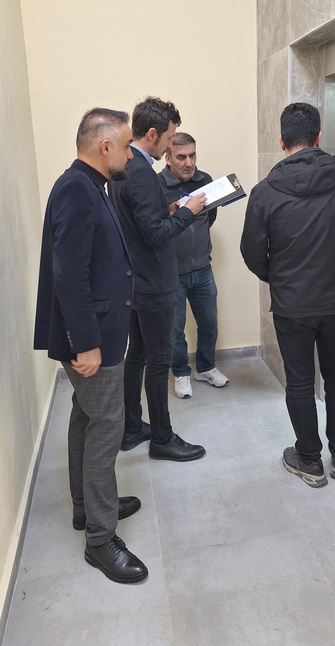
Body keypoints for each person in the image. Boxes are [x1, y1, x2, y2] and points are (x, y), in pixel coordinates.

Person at [34, 108, 148, 584]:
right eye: (125, 146)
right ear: (105, 147)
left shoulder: (87, 185)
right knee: (106, 426)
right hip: (91, 337)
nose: (130, 154)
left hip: (97, 332)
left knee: (86, 417)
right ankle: (100, 540)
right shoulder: (76, 189)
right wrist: (85, 343)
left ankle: (87, 505)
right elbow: (69, 274)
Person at [241, 102, 335, 488]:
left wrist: (279, 277)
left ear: (281, 141)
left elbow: (251, 253)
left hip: (292, 303)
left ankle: (309, 460)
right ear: (318, 136)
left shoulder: (264, 192)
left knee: (299, 381)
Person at [108, 97, 206, 460]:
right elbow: (156, 234)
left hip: (136, 279)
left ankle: (132, 427)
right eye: (168, 138)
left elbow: (140, 220)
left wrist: (168, 209)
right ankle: (163, 439)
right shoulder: (142, 173)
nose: (169, 146)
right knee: (158, 361)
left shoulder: (123, 166)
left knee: (137, 355)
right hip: (155, 282)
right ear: (152, 133)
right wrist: (188, 212)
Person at [158, 132, 229, 399]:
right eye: (181, 157)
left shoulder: (205, 181)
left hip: (202, 269)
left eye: (192, 155)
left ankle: (206, 367)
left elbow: (210, 217)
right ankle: (180, 373)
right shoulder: (157, 186)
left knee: (209, 323)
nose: (189, 162)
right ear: (167, 158)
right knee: (175, 330)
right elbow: (155, 227)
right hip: (171, 274)